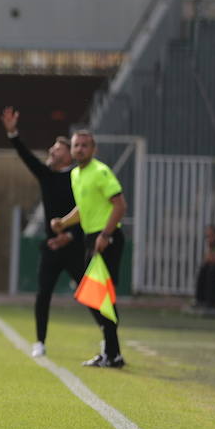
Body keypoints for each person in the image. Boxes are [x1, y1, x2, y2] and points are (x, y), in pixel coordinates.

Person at [2, 106, 100, 358]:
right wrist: (13, 133)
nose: (51, 152)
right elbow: (26, 156)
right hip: (52, 246)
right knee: (43, 292)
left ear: (68, 156)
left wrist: (70, 235)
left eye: (57, 150)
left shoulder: (79, 177)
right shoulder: (46, 176)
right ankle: (40, 341)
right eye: (52, 149)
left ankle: (107, 335)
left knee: (89, 291)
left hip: (74, 246)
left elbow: (87, 210)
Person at [50, 129, 127, 367]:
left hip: (107, 239)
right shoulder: (75, 174)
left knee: (100, 296)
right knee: (92, 296)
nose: (80, 149)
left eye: (85, 145)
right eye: (76, 145)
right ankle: (112, 352)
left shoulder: (101, 172)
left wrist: (106, 235)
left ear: (94, 149)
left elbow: (120, 205)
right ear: (72, 150)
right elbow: (83, 209)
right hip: (91, 238)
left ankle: (112, 354)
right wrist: (63, 222)